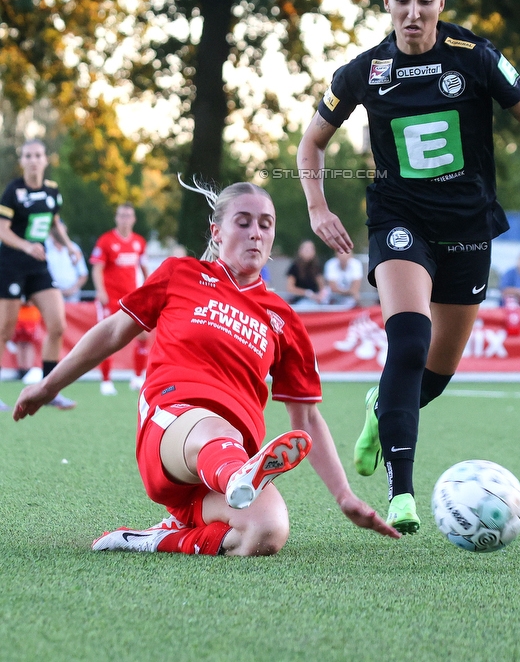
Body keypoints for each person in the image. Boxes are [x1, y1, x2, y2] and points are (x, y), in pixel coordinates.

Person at [297, 0, 520, 534]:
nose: (413, 12)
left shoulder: (475, 57)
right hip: (398, 219)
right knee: (409, 343)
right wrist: (317, 206)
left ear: (441, 2)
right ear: (385, 2)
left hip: (468, 224)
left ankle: (378, 408)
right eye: (401, 0)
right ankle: (402, 493)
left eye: (424, 0)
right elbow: (312, 143)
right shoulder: (363, 72)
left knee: (434, 375)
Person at [13, 181, 399, 556]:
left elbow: (308, 419)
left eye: (265, 225)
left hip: (225, 467)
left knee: (267, 531)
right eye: (243, 222)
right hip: (170, 427)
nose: (255, 234)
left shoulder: (284, 319)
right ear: (216, 231)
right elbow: (114, 330)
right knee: (216, 428)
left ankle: (159, 537)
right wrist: (48, 386)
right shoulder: (180, 274)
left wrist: (344, 495)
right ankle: (236, 474)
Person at [0, 139, 78, 412]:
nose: (33, 160)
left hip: (38, 266)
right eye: (28, 156)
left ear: (46, 160)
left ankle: (48, 390)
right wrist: (25, 246)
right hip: (10, 265)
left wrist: (69, 247)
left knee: (57, 325)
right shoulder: (13, 191)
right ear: (22, 161)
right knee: (4, 330)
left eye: (38, 155)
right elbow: (2, 230)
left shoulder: (52, 191)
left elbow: (55, 223)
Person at [90, 203, 149, 394]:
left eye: (128, 216)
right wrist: (101, 291)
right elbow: (97, 268)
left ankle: (138, 377)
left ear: (133, 219)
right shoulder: (106, 241)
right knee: (107, 338)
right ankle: (106, 381)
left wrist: (148, 289)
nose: (125, 219)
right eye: (121, 215)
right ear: (116, 218)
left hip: (131, 297)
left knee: (143, 335)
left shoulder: (139, 242)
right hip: (111, 298)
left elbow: (144, 268)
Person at [45, 223, 88, 303]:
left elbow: (83, 274)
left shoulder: (74, 248)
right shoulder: (45, 247)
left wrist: (72, 289)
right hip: (50, 294)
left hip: (72, 297)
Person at [285, 240, 327, 305]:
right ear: (300, 251)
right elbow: (290, 288)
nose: (308, 251)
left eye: (310, 249)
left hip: (315, 301)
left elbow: (321, 285)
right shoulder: (294, 267)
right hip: (298, 300)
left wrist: (321, 295)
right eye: (306, 249)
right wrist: (306, 293)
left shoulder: (316, 267)